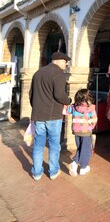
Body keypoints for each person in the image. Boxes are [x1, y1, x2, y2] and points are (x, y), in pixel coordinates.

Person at [30, 51, 72, 181]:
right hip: (53, 116)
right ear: (59, 61)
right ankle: (53, 171)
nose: (66, 65)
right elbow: (59, 95)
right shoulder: (58, 74)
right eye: (65, 62)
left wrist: (36, 108)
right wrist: (69, 101)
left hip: (38, 115)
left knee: (38, 144)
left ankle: (37, 173)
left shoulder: (38, 73)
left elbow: (31, 94)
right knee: (54, 144)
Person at [63, 89, 98, 176]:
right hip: (86, 132)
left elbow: (65, 111)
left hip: (76, 131)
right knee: (86, 150)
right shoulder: (90, 108)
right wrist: (90, 127)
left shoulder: (74, 106)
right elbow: (94, 120)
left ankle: (74, 166)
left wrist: (62, 104)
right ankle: (83, 167)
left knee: (80, 148)